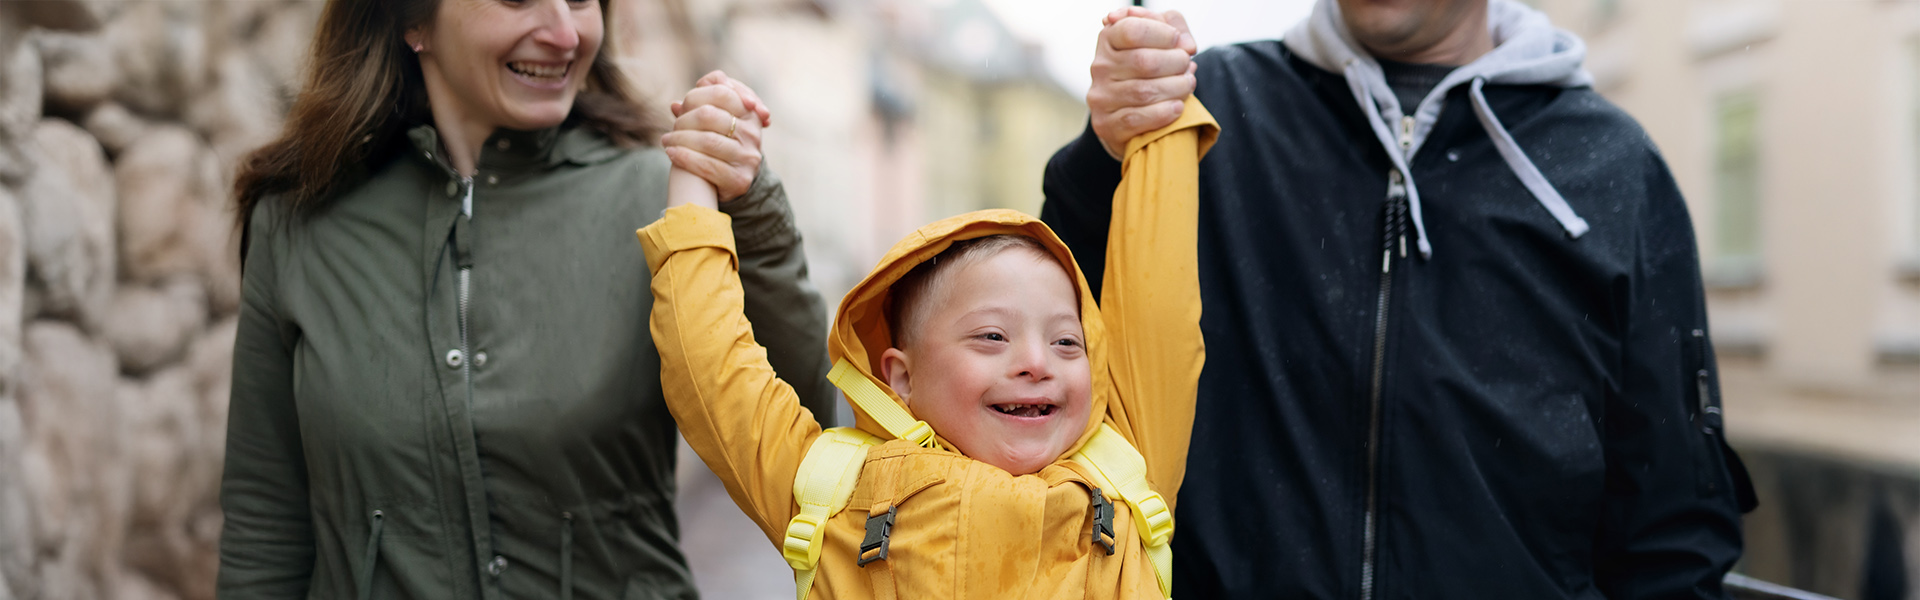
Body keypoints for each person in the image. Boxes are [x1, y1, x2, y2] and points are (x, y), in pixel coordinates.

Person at [1042, 1, 1757, 598]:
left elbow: (1673, 525)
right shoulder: (1203, 109)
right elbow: (1063, 339)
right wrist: (1107, 154)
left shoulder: (1610, 162)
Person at [217, 0, 835, 597]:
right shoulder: (299, 222)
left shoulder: (661, 200)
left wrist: (749, 212)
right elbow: (265, 521)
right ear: (412, 19)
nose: (565, 34)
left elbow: (811, 447)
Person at [637, 96, 1217, 598]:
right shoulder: (834, 491)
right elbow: (712, 373)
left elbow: (1159, 297)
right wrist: (694, 180)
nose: (1038, 364)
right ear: (901, 377)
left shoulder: (1129, 469)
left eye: (1067, 342)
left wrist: (1158, 129)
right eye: (993, 336)